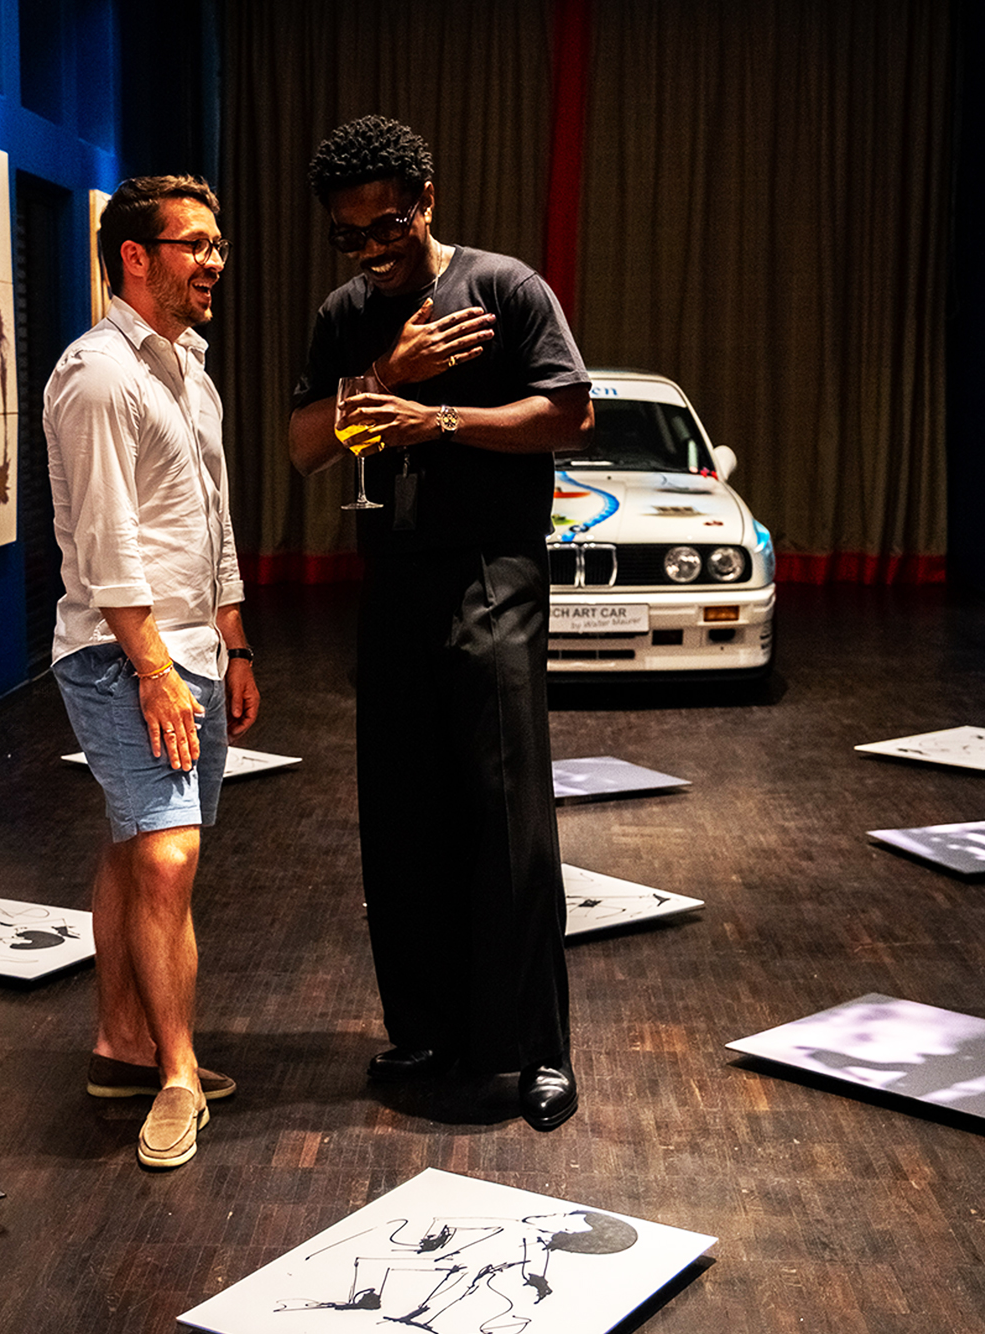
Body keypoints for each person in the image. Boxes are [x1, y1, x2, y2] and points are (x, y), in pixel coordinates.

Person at [289, 116, 592, 1131]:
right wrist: (389, 378)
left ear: (425, 201)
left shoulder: (504, 288)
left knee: (506, 813)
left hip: (492, 569)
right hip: (393, 577)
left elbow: (570, 414)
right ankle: (424, 1028)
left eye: (384, 228)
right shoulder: (345, 314)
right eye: (349, 236)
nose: (369, 252)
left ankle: (535, 1049)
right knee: (401, 813)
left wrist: (443, 421)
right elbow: (303, 446)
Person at [45, 175, 260, 1168]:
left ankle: (119, 1045)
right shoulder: (97, 375)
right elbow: (107, 543)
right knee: (169, 857)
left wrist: (233, 639)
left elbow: (209, 519)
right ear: (135, 256)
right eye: (195, 245)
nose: (213, 261)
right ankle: (175, 1073)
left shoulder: (190, 372)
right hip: (124, 656)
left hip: (193, 651)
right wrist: (155, 669)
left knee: (138, 844)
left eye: (217, 245)